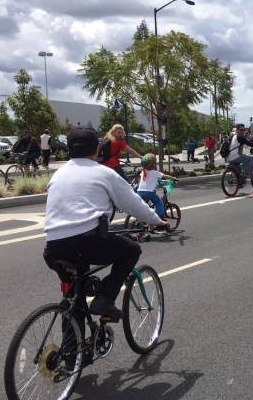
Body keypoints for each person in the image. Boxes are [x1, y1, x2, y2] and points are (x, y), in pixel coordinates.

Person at [43, 127, 166, 320]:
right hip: (87, 242)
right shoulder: (104, 173)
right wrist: (157, 220)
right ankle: (105, 298)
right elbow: (133, 203)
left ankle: (72, 349)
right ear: (97, 149)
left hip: (53, 248)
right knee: (132, 250)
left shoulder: (57, 175)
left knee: (75, 298)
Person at [136, 153, 178, 229]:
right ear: (153, 165)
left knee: (150, 206)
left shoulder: (143, 172)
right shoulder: (155, 173)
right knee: (159, 204)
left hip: (139, 192)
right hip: (149, 193)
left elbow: (149, 180)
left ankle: (150, 227)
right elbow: (165, 176)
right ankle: (159, 222)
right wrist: (173, 178)